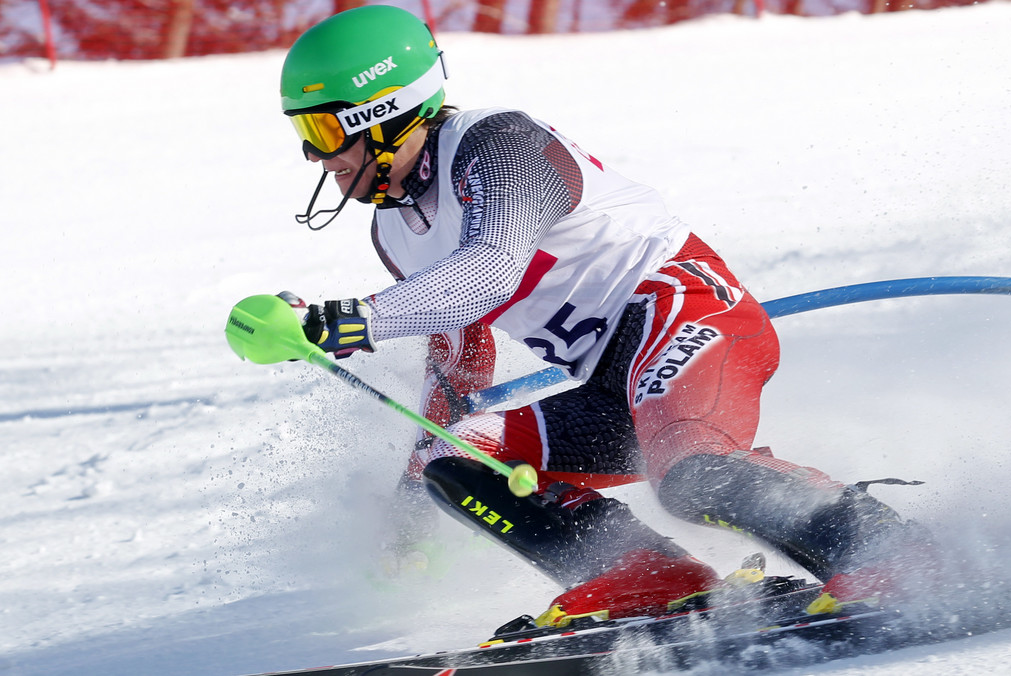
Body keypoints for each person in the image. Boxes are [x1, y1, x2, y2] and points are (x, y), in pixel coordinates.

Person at [277, 5, 926, 628]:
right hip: (614, 384)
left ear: (384, 110)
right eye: (304, 136)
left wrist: (354, 318)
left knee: (690, 474)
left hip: (684, 315)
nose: (317, 158)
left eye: (325, 132)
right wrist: (412, 508)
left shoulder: (499, 144)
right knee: (459, 457)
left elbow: (492, 266)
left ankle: (885, 549)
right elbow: (455, 365)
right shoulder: (396, 232)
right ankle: (649, 574)